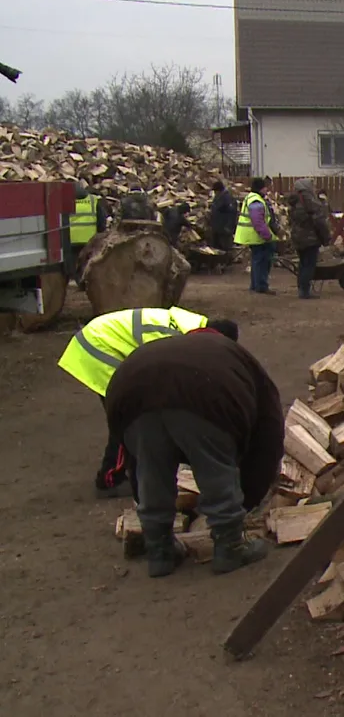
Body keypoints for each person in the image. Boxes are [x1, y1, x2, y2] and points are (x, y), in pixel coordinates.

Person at [105, 328, 281, 577]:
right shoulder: (239, 361)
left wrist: (139, 490)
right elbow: (268, 439)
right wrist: (248, 498)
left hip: (130, 392)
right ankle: (230, 546)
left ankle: (159, 551)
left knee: (150, 469)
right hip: (203, 393)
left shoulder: (192, 351)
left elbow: (135, 463)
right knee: (214, 466)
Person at [57, 307, 239, 498]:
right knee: (129, 416)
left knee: (145, 412)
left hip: (104, 340)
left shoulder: (192, 327)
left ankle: (137, 473)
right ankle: (110, 479)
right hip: (98, 346)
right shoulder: (175, 338)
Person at [288, 178, 332, 300]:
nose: (314, 188)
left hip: (297, 237)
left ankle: (302, 288)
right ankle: (305, 291)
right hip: (310, 237)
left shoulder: (294, 201)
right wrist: (326, 237)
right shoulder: (310, 201)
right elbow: (319, 221)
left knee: (303, 263)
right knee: (309, 264)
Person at [235, 177, 278, 295]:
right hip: (258, 237)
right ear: (260, 188)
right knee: (262, 262)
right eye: (265, 188)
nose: (267, 190)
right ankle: (261, 286)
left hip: (253, 236)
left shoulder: (252, 198)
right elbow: (258, 221)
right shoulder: (256, 201)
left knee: (256, 261)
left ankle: (255, 285)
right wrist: (267, 236)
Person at [69, 183, 104, 257]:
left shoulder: (64, 201)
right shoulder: (93, 200)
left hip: (71, 241)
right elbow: (101, 221)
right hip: (90, 240)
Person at [209, 180, 236, 251]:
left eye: (215, 191)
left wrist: (229, 226)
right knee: (216, 248)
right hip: (217, 227)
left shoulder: (227, 198)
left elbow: (232, 214)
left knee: (225, 248)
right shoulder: (217, 197)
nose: (215, 192)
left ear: (219, 190)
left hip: (224, 228)